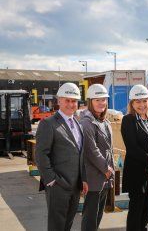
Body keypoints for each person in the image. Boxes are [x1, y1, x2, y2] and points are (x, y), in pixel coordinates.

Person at [35, 82, 88, 231]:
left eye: (74, 101)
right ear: (59, 101)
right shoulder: (48, 123)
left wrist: (83, 179)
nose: (71, 104)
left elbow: (80, 154)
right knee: (56, 227)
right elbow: (40, 154)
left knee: (68, 225)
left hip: (75, 187)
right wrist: (51, 179)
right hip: (58, 186)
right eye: (67, 100)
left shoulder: (78, 124)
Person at [121, 84, 148, 231]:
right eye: (138, 101)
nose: (142, 105)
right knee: (136, 212)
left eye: (144, 101)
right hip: (137, 174)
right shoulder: (128, 120)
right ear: (132, 103)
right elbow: (132, 148)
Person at [80, 84, 115, 231]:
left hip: (105, 177)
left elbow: (109, 150)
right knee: (90, 218)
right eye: (97, 100)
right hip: (94, 178)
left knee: (98, 216)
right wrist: (106, 168)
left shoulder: (104, 122)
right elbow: (91, 150)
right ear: (90, 102)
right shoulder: (87, 122)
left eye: (103, 100)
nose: (101, 103)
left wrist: (110, 171)